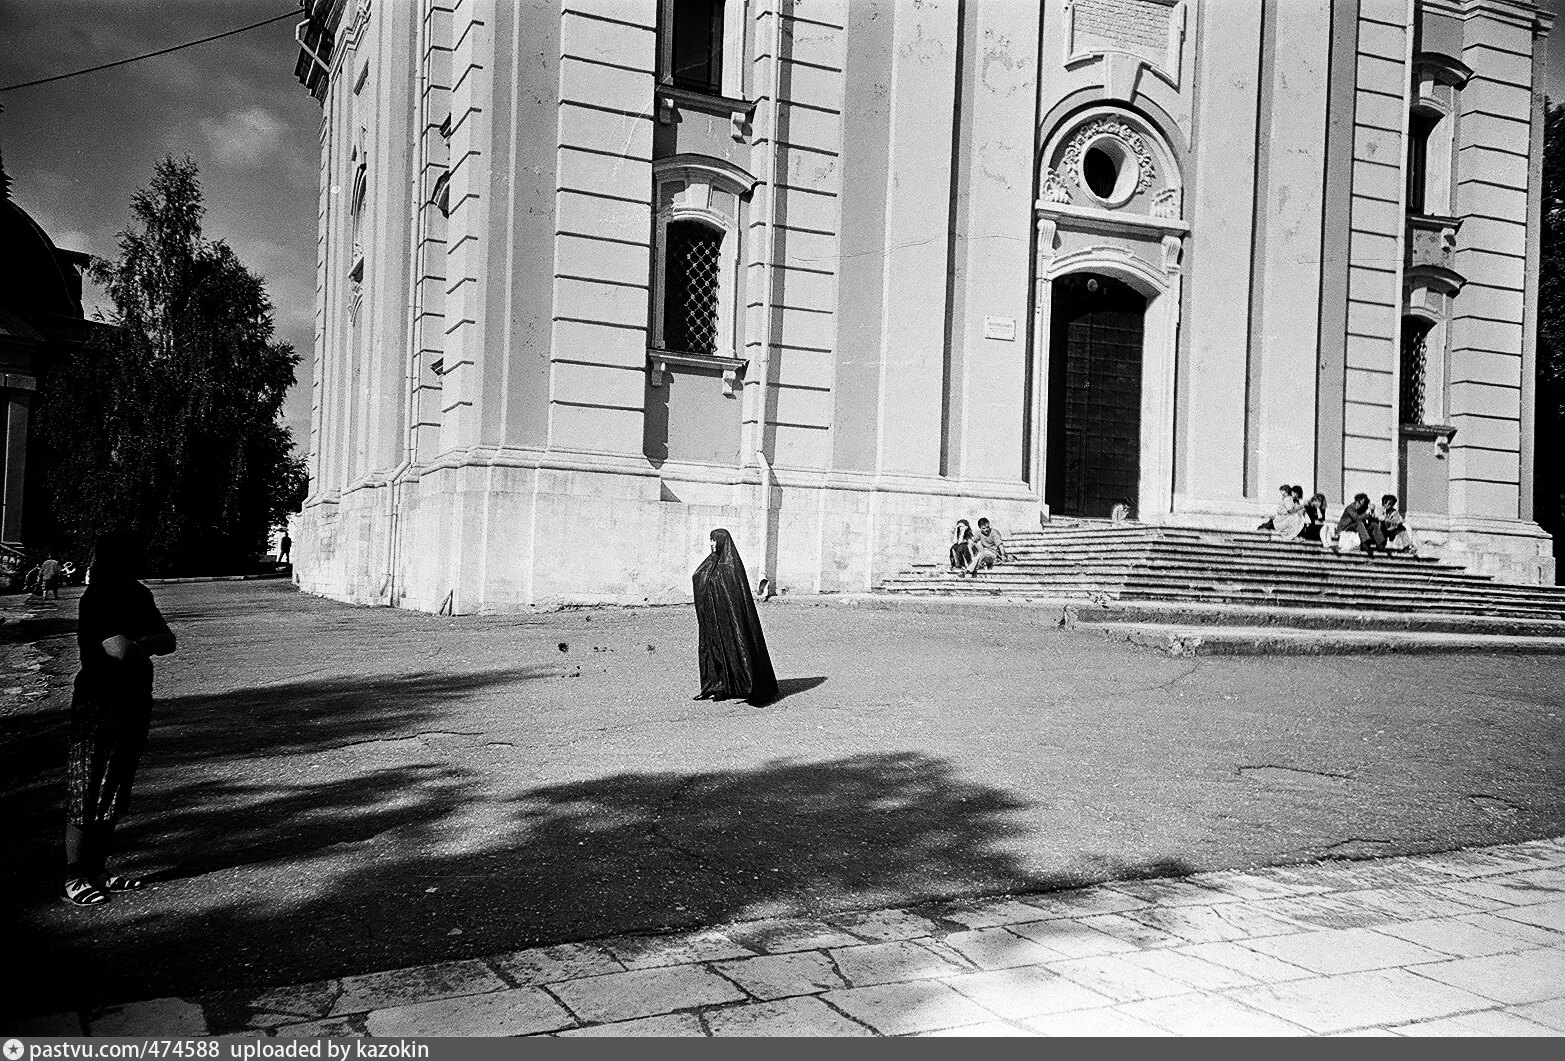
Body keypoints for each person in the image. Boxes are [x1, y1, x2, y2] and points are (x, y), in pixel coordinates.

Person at [62, 530, 177, 906]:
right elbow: (119, 650)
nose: (145, 557)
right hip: (99, 702)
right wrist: (145, 643)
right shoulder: (99, 597)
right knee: (86, 785)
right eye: (137, 553)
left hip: (134, 700)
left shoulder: (139, 593)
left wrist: (141, 644)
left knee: (114, 788)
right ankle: (74, 875)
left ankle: (97, 869)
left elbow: (169, 641)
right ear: (119, 558)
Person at [691, 528, 778, 706]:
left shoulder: (731, 567)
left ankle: (748, 686)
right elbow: (699, 577)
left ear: (723, 542)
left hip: (729, 620)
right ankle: (718, 686)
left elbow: (734, 598)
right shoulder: (710, 562)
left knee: (734, 648)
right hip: (712, 617)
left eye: (715, 540)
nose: (712, 544)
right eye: (710, 540)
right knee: (714, 649)